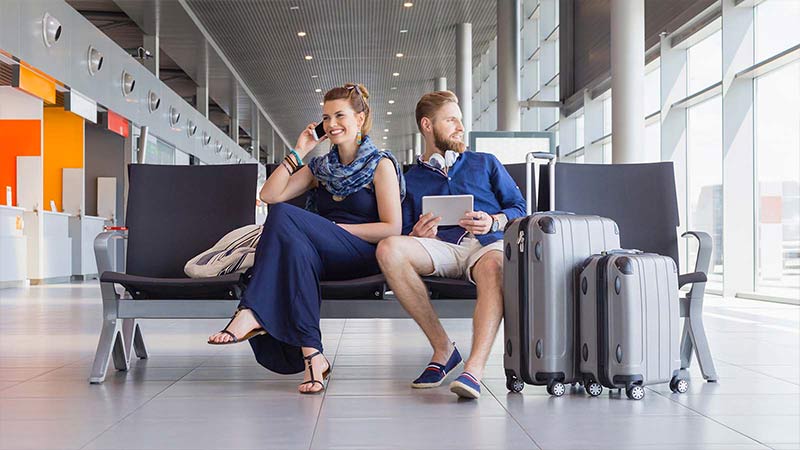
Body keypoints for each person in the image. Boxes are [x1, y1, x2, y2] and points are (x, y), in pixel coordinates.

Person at [207, 83, 405, 395]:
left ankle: (251, 311)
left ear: (361, 118)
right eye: (326, 117)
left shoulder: (380, 165)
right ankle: (313, 356)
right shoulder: (319, 167)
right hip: (323, 253)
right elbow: (269, 194)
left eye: (339, 115)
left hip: (363, 254)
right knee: (294, 248)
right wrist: (301, 150)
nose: (331, 124)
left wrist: (338, 230)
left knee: (285, 215)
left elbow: (392, 228)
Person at [376, 91, 525, 400]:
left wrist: (494, 220)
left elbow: (520, 208)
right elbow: (401, 228)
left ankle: (474, 370)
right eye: (451, 120)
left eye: (460, 119)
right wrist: (416, 232)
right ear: (427, 125)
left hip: (486, 244)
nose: (460, 127)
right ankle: (443, 348)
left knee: (495, 265)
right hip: (440, 248)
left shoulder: (485, 163)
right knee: (389, 248)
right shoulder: (410, 178)